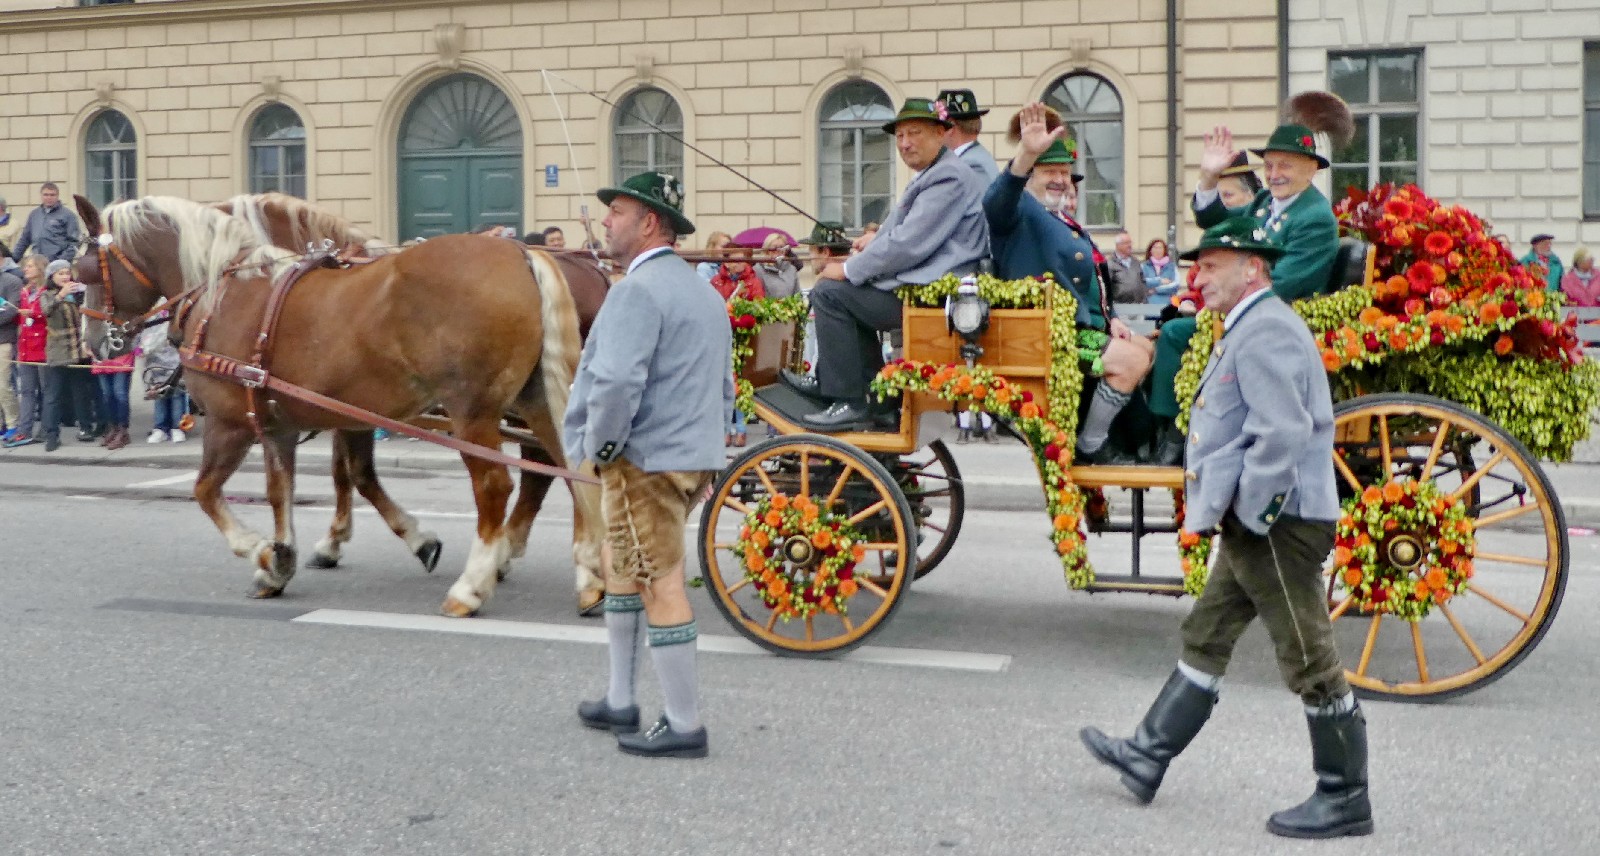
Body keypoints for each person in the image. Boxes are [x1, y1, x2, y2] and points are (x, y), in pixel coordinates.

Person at [1079, 216, 1371, 841]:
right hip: (1261, 521)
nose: (1199, 277)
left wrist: (1252, 511)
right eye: (1198, 266)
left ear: (1253, 269)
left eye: (1212, 266)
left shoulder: (1266, 330)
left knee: (1308, 656)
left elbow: (1282, 433)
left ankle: (1345, 796)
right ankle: (1148, 754)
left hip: (1279, 522)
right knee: (1207, 633)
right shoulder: (1250, 324)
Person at [565, 171, 733, 758]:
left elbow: (615, 382)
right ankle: (620, 699)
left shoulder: (635, 290)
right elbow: (723, 383)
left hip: (645, 460)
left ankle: (684, 724)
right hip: (687, 454)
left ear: (650, 223)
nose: (606, 220)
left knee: (659, 582)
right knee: (620, 562)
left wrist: (602, 446)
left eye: (617, 211)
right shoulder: (702, 290)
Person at [1147, 98, 1347, 464]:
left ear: (1311, 170)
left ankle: (1173, 439)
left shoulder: (1315, 217)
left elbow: (1283, 283)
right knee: (1168, 331)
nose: (1274, 174)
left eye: (1284, 165)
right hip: (1256, 313)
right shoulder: (1267, 203)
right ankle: (1165, 432)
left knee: (1175, 334)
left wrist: (1224, 304)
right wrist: (1209, 178)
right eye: (1269, 166)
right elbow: (1218, 222)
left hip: (1281, 321)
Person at [783, 97, 989, 431]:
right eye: (900, 136)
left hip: (932, 295)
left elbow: (909, 244)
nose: (905, 143)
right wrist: (873, 240)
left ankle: (848, 400)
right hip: (921, 286)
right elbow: (901, 231)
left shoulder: (948, 176)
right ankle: (875, 400)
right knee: (844, 295)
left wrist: (848, 269)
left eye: (914, 133)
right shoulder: (934, 172)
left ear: (941, 133)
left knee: (830, 294)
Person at [985, 102, 1153, 464]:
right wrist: (1026, 154)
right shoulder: (1019, 209)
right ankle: (1091, 444)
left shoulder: (1059, 218)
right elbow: (995, 203)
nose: (1061, 179)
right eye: (1050, 171)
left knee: (1149, 348)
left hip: (1076, 329)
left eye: (1064, 171)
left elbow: (1088, 283)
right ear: (1030, 174)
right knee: (1132, 361)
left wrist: (1110, 319)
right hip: (1044, 338)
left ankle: (1140, 438)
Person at [35, 258, 91, 452]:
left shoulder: (76, 294)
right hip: (58, 351)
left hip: (78, 350)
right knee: (53, 395)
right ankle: (51, 434)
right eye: (61, 274)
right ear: (52, 276)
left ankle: (85, 428)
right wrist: (61, 295)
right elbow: (46, 310)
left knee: (81, 392)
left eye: (67, 273)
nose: (65, 277)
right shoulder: (47, 294)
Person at [4, 256, 48, 447]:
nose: (25, 270)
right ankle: (24, 430)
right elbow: (17, 318)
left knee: (46, 391)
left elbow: (49, 314)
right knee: (27, 390)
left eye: (30, 266)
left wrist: (34, 314)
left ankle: (47, 428)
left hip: (43, 347)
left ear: (40, 269)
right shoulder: (24, 292)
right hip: (25, 348)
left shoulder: (47, 291)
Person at [140, 316, 188, 443]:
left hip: (175, 360)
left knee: (177, 393)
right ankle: (160, 428)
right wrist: (139, 348)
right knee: (159, 395)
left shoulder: (176, 316)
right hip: (155, 362)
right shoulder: (151, 317)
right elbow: (142, 335)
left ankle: (177, 427)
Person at [937, 87, 1000, 181]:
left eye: (936, 127)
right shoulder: (976, 156)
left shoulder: (968, 165)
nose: (933, 134)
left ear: (950, 126)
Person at [11, 183, 83, 264]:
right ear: (41, 196)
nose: (49, 198)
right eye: (46, 195)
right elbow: (24, 240)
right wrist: (12, 260)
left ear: (57, 196)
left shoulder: (68, 215)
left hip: (59, 264)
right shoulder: (34, 215)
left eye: (52, 195)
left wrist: (61, 261)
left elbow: (75, 242)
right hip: (37, 264)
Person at [0, 260, 21, 440]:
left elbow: (11, 311)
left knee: (3, 385)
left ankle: (12, 424)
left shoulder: (11, 281)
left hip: (4, 340)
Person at [755, 231, 801, 299]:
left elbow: (798, 295)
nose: (778, 250)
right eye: (774, 248)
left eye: (781, 247)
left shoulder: (792, 269)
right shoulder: (758, 269)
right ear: (767, 250)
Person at [1106, 231, 1145, 302]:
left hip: (1138, 304)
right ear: (1118, 245)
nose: (1130, 245)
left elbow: (1142, 281)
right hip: (1119, 305)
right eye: (1126, 243)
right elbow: (1106, 286)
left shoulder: (1136, 262)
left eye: (1130, 242)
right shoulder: (1110, 264)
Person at [1141, 239, 1179, 303]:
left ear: (1164, 250)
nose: (1158, 250)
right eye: (1155, 248)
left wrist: (1156, 289)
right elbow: (1141, 282)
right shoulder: (1143, 266)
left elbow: (1175, 285)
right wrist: (1160, 281)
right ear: (1150, 250)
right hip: (1148, 304)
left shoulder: (1172, 267)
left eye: (1160, 248)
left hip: (1168, 303)